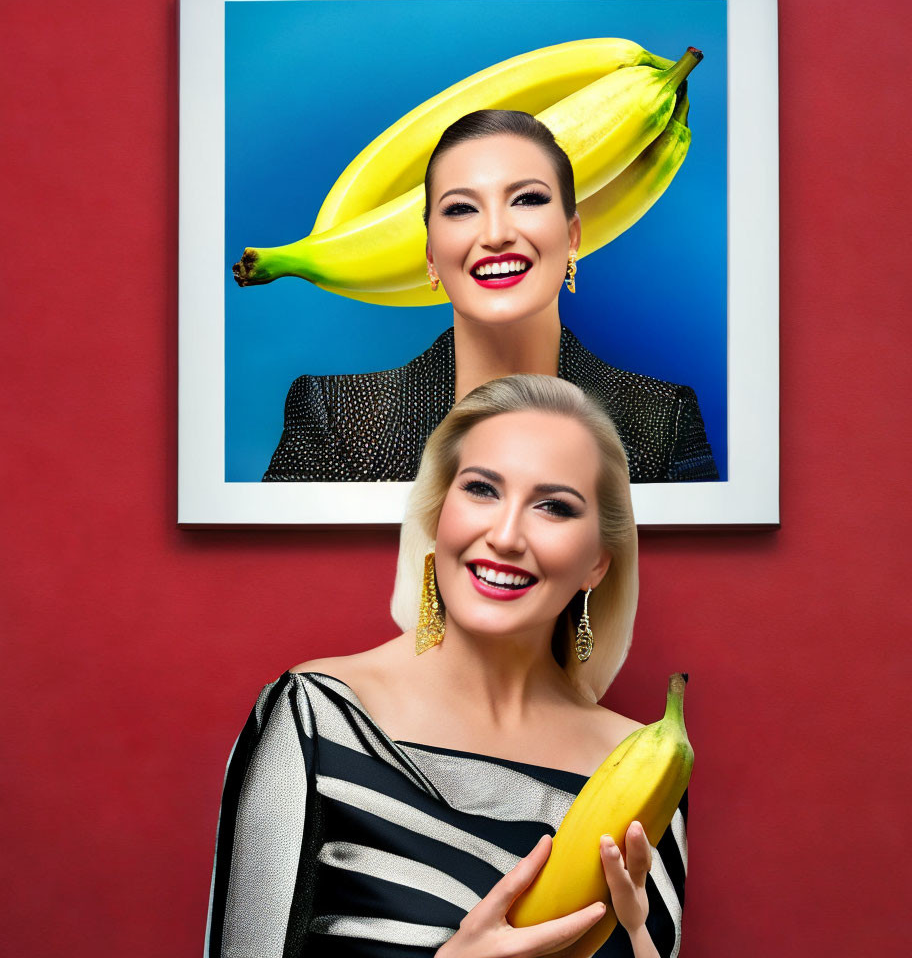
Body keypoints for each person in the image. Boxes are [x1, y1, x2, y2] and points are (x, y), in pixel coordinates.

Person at [209, 374, 689, 957]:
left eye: (554, 507)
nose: (506, 535)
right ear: (439, 515)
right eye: (482, 489)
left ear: (597, 564)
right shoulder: (316, 719)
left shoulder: (641, 765)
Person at [262, 109, 718, 484]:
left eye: (528, 200)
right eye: (461, 209)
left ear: (573, 236)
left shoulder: (662, 420)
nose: (496, 234)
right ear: (431, 257)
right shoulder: (337, 418)